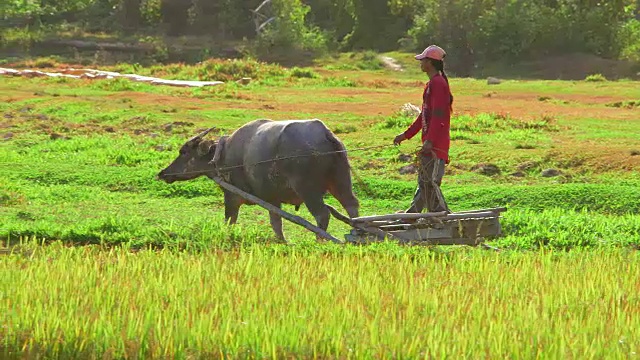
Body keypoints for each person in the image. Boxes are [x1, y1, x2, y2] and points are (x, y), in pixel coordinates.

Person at [393, 45, 453, 214]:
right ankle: (414, 214)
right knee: (425, 182)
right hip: (430, 143)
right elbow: (424, 117)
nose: (420, 63)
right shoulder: (431, 84)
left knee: (430, 183)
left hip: (436, 145)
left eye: (423, 60)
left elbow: (439, 116)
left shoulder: (438, 84)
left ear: (430, 63)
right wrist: (405, 135)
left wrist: (430, 140)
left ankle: (439, 214)